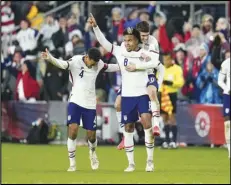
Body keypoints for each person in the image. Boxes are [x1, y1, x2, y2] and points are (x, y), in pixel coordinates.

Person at [88, 13, 160, 172]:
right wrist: (95, 26)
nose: (126, 43)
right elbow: (104, 43)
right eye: (125, 40)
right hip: (127, 96)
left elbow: (156, 63)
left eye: (130, 40)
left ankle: (149, 161)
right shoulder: (120, 51)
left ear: (137, 40)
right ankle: (131, 164)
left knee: (147, 123)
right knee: (128, 128)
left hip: (142, 94)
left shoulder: (145, 53)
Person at [40, 47, 120, 171]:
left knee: (91, 136)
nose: (92, 66)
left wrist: (123, 66)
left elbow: (109, 67)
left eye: (94, 64)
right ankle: (72, 163)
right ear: (87, 57)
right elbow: (63, 64)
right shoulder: (76, 61)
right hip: (75, 100)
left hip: (90, 104)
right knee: (73, 129)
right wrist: (50, 57)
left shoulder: (98, 64)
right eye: (91, 63)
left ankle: (92, 153)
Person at [116, 21, 164, 150]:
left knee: (152, 93)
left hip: (148, 73)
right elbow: (122, 56)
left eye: (146, 35)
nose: (145, 38)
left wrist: (137, 67)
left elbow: (155, 64)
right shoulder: (127, 43)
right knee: (117, 103)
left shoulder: (153, 42)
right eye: (142, 35)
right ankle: (124, 136)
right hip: (131, 77)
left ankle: (156, 125)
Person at [159, 54, 184, 149]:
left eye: (167, 60)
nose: (165, 62)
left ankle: (174, 141)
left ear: (171, 60)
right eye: (164, 59)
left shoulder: (177, 69)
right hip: (162, 95)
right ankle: (166, 140)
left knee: (172, 117)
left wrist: (171, 83)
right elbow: (157, 80)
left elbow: (180, 82)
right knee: (164, 118)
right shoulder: (161, 68)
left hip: (171, 94)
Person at [218, 58, 230, 158]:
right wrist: (227, 89)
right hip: (228, 95)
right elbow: (220, 81)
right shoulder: (226, 63)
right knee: (227, 122)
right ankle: (230, 149)